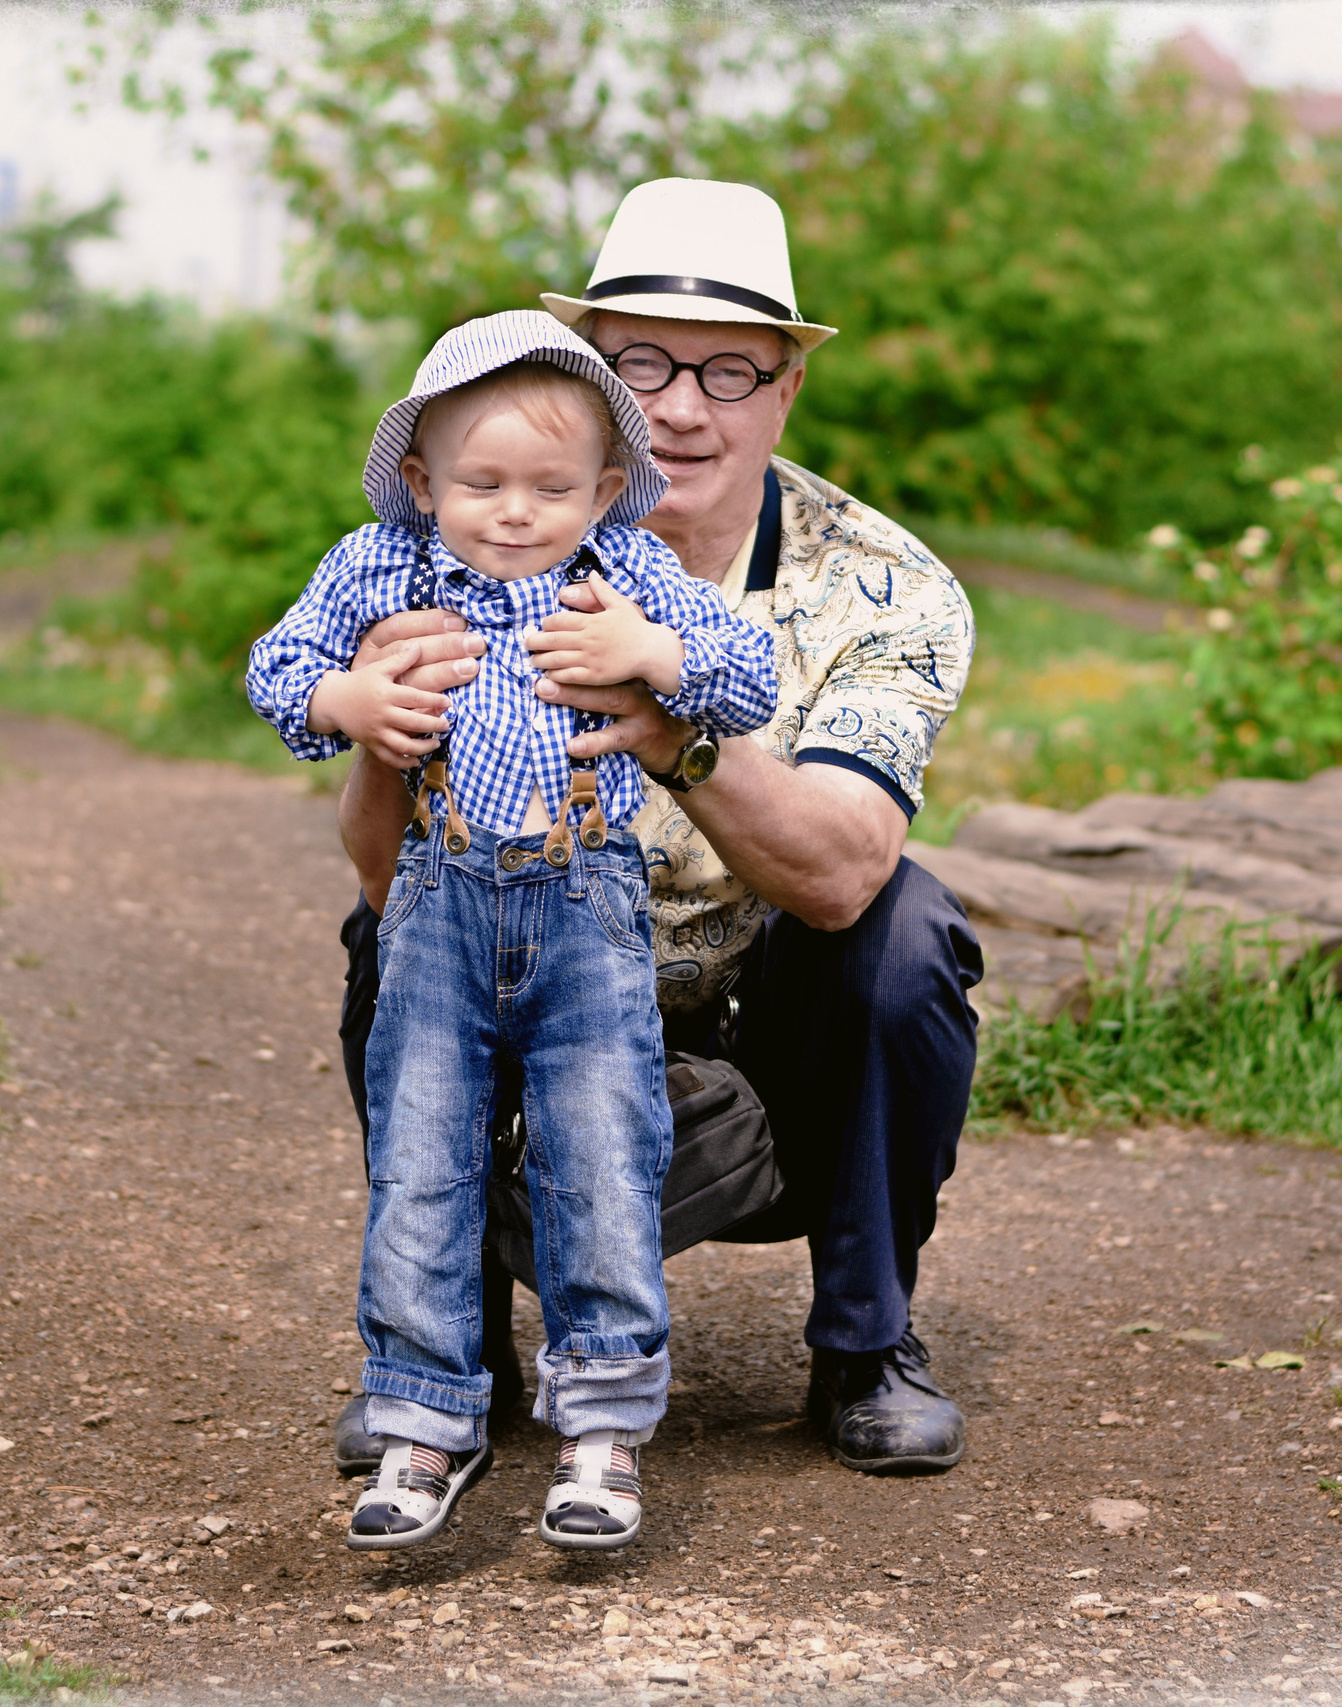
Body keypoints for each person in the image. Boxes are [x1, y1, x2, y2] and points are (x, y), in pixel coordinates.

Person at [331, 179, 987, 1477]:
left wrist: (669, 724)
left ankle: (865, 1342)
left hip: (772, 1033)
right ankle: (448, 1352)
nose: (683, 404)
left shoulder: (888, 584)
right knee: (389, 935)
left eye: (730, 369)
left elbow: (846, 868)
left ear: (786, 388)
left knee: (906, 932)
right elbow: (375, 870)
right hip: (537, 999)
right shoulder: (473, 539)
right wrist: (376, 734)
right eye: (643, 360)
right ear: (593, 378)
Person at [248, 310, 777, 1550]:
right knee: (422, 1159)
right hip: (438, 901)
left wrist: (651, 653)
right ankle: (424, 1417)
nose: (513, 511)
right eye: (479, 482)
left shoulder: (629, 574)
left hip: (585, 903)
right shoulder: (383, 569)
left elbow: (742, 678)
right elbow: (279, 670)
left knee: (600, 1153)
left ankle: (600, 1428)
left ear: (604, 489)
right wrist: (349, 696)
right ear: (423, 482)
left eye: (551, 486)